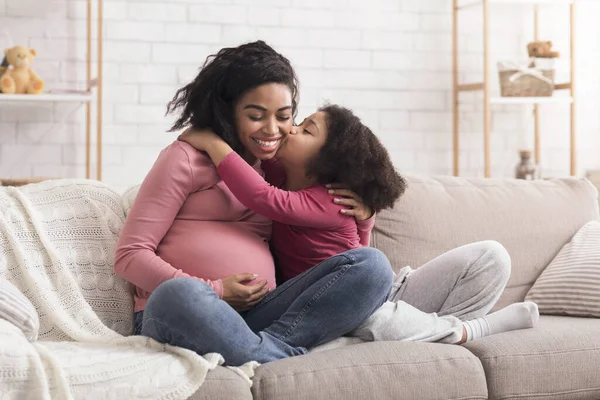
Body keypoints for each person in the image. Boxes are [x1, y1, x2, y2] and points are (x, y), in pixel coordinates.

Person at [114, 41, 393, 366]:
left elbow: (330, 222)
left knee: (372, 266)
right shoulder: (185, 159)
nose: (273, 130)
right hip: (189, 310)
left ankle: (266, 351)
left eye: (285, 117)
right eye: (256, 116)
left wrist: (364, 213)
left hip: (262, 313)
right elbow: (129, 257)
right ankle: (274, 357)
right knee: (178, 295)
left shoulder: (277, 168)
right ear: (228, 110)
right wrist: (215, 290)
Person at [179, 105, 540, 346]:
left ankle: (436, 332)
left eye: (305, 131)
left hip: (384, 289)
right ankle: (458, 332)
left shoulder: (324, 198)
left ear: (325, 161)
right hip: (344, 304)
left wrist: (213, 145)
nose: (290, 130)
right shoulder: (279, 172)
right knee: (374, 321)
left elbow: (263, 199)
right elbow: (257, 175)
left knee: (492, 256)